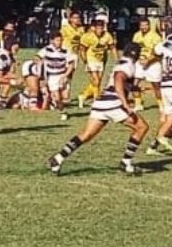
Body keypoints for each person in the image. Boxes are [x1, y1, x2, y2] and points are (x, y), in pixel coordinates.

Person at [47, 43, 147, 176]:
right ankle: (126, 162)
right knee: (142, 127)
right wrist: (125, 104)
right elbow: (118, 80)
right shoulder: (129, 65)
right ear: (136, 54)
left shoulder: (122, 63)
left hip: (101, 103)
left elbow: (120, 82)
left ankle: (58, 158)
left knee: (86, 135)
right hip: (113, 103)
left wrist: (135, 89)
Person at [78, 20, 116, 108]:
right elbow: (82, 49)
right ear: (94, 28)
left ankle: (83, 96)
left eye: (102, 28)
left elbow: (112, 47)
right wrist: (85, 61)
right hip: (90, 59)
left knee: (97, 82)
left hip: (100, 61)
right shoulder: (87, 36)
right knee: (96, 80)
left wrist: (117, 59)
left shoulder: (107, 35)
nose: (100, 30)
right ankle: (96, 101)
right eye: (98, 28)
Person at [37, 32, 75, 120]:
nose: (60, 42)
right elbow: (37, 58)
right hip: (52, 76)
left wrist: (65, 76)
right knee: (57, 97)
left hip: (62, 74)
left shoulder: (65, 51)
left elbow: (71, 65)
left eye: (61, 40)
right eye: (58, 40)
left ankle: (59, 106)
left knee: (65, 97)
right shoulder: (46, 49)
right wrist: (41, 73)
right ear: (52, 41)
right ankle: (62, 112)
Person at [132, 17, 164, 112]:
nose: (143, 27)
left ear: (149, 25)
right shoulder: (136, 35)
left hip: (153, 64)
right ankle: (138, 104)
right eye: (142, 25)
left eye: (145, 25)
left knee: (156, 85)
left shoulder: (156, 36)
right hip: (140, 62)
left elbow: (159, 53)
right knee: (135, 83)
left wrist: (148, 61)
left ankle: (161, 104)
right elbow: (134, 49)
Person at [61, 11, 86, 102]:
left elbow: (82, 43)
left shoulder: (81, 29)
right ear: (70, 19)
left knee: (70, 75)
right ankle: (62, 93)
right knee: (64, 72)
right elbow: (60, 40)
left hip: (75, 54)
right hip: (66, 51)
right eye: (75, 18)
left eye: (78, 17)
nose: (77, 19)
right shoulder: (65, 28)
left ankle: (66, 92)